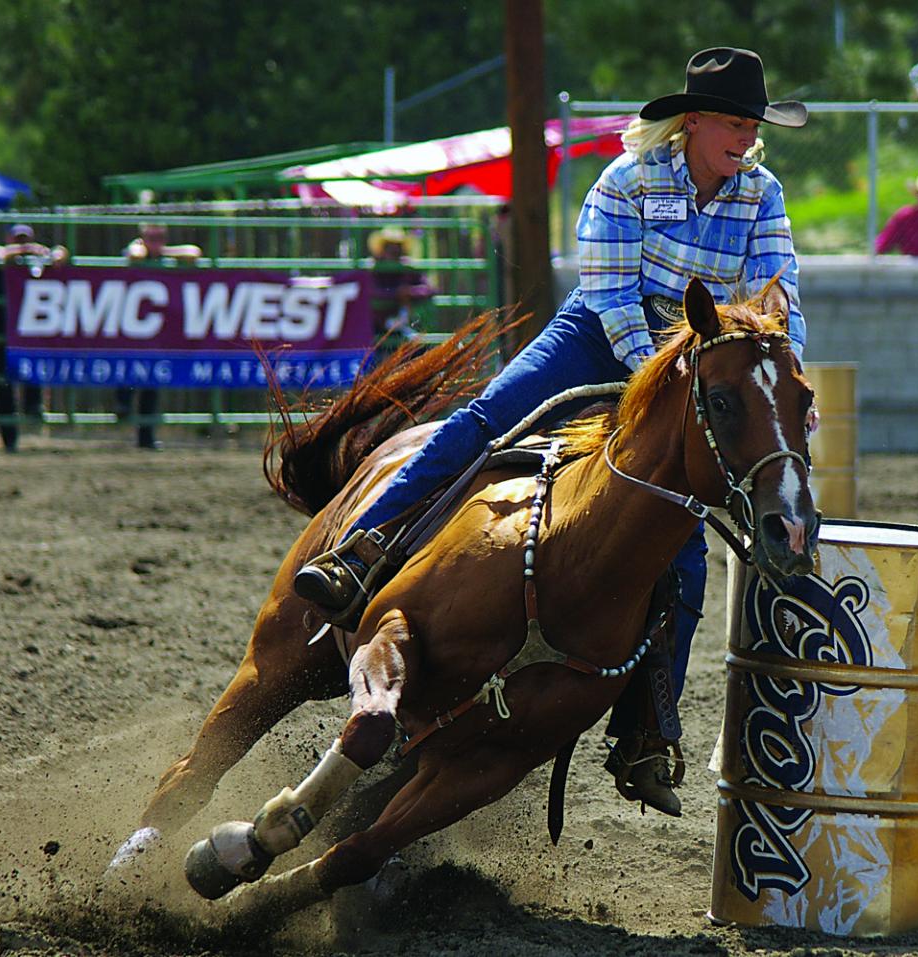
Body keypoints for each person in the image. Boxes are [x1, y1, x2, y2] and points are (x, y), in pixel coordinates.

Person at [293, 47, 807, 816]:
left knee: (684, 538)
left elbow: (780, 293)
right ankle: (361, 547)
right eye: (733, 122)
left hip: (696, 357)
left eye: (751, 125)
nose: (744, 138)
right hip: (600, 337)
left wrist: (780, 367)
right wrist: (656, 385)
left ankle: (645, 729)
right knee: (483, 422)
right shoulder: (627, 182)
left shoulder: (760, 195)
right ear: (691, 122)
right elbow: (610, 296)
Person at [119, 224, 204, 450]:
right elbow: (134, 255)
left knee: (151, 381)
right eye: (151, 236)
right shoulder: (135, 251)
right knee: (126, 370)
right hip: (128, 328)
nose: (156, 241)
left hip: (155, 332)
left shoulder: (166, 257)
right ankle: (122, 408)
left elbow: (194, 252)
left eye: (160, 237)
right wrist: (144, 248)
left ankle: (145, 437)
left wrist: (162, 251)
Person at [0, 225, 66, 452]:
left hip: (27, 334)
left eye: (26, 240)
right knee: (3, 387)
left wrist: (53, 254)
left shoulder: (36, 263)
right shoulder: (4, 256)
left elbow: (62, 253)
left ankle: (33, 409)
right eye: (18, 240)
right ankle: (11, 440)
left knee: (32, 370)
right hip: (2, 333)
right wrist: (27, 249)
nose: (23, 245)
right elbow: (0, 254)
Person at [367, 226, 434, 354]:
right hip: (377, 329)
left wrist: (410, 293)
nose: (394, 250)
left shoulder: (408, 269)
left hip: (403, 328)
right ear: (382, 249)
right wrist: (396, 294)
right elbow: (370, 292)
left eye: (397, 246)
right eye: (389, 246)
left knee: (421, 349)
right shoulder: (374, 269)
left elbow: (429, 289)